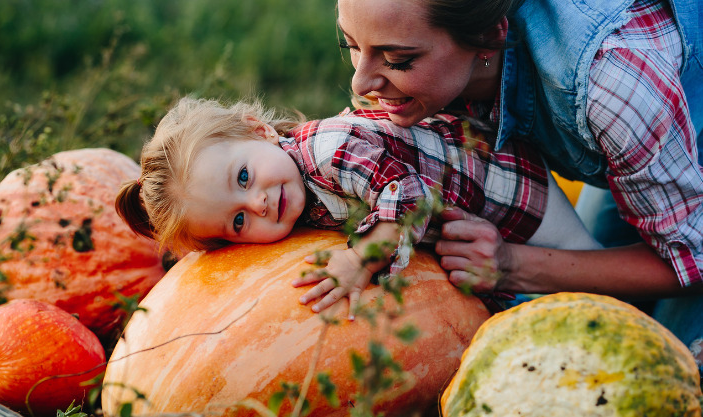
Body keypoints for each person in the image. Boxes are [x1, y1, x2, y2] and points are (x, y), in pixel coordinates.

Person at [334, 0, 703, 367]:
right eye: (350, 45)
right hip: (647, 141)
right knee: (593, 310)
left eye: (398, 59)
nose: (360, 82)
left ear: (488, 37)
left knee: (666, 366)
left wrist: (510, 264)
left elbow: (692, 259)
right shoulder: (442, 67)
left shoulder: (612, 83)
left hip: (657, 118)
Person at [115, 97, 600, 319]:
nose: (258, 202)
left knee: (584, 268)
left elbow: (407, 197)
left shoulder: (330, 149)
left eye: (243, 177)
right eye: (238, 220)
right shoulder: (291, 190)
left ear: (257, 130)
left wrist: (358, 258)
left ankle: (637, 306)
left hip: (509, 192)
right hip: (472, 230)